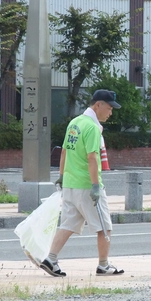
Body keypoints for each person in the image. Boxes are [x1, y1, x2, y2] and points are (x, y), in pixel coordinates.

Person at [39, 90, 125, 277]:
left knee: (68, 224)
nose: (110, 113)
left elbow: (64, 152)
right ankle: (103, 265)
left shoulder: (74, 123)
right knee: (104, 226)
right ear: (98, 105)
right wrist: (95, 186)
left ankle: (51, 259)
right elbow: (92, 157)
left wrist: (61, 176)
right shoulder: (92, 127)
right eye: (109, 108)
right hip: (87, 186)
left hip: (70, 184)